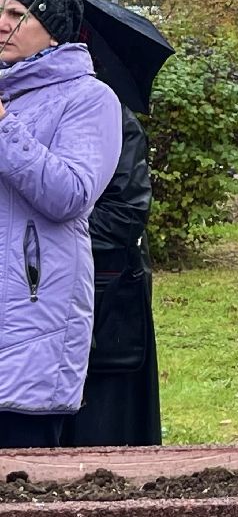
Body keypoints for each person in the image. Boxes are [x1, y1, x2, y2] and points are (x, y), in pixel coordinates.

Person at [0, 0, 121, 449]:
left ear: (52, 31)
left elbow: (69, 193)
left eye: (17, 14)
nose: (2, 24)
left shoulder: (89, 100)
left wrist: (4, 126)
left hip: (33, 313)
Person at [61, 103, 162, 447]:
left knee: (100, 443)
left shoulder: (108, 114)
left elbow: (125, 215)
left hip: (103, 303)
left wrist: (41, 230)